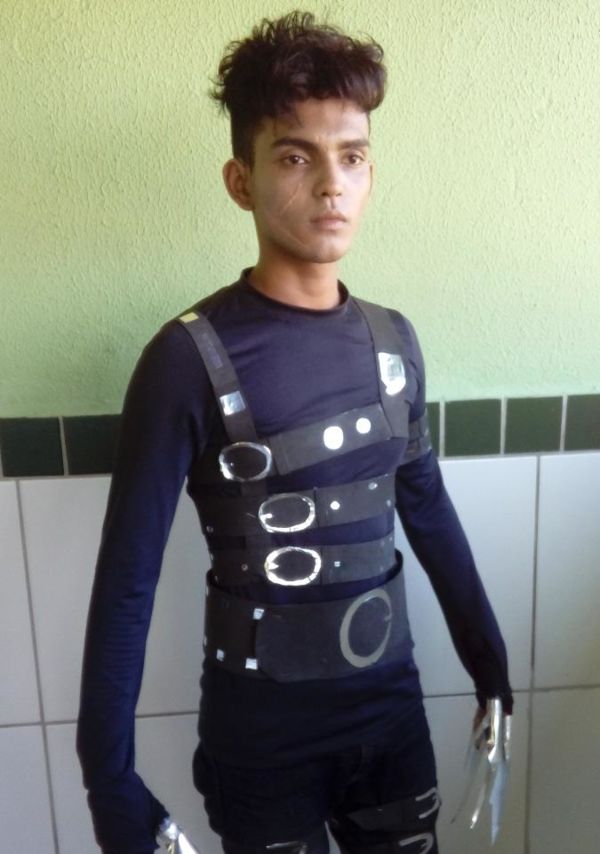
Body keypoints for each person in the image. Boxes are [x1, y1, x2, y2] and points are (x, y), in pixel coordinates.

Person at [77, 10, 513, 854]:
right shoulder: (185, 359)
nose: (330, 185)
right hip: (262, 743)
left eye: (351, 156)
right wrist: (109, 780)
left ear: (371, 172)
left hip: (392, 719)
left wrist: (490, 667)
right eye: (295, 156)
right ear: (240, 180)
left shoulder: (394, 343)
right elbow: (127, 581)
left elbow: (427, 510)